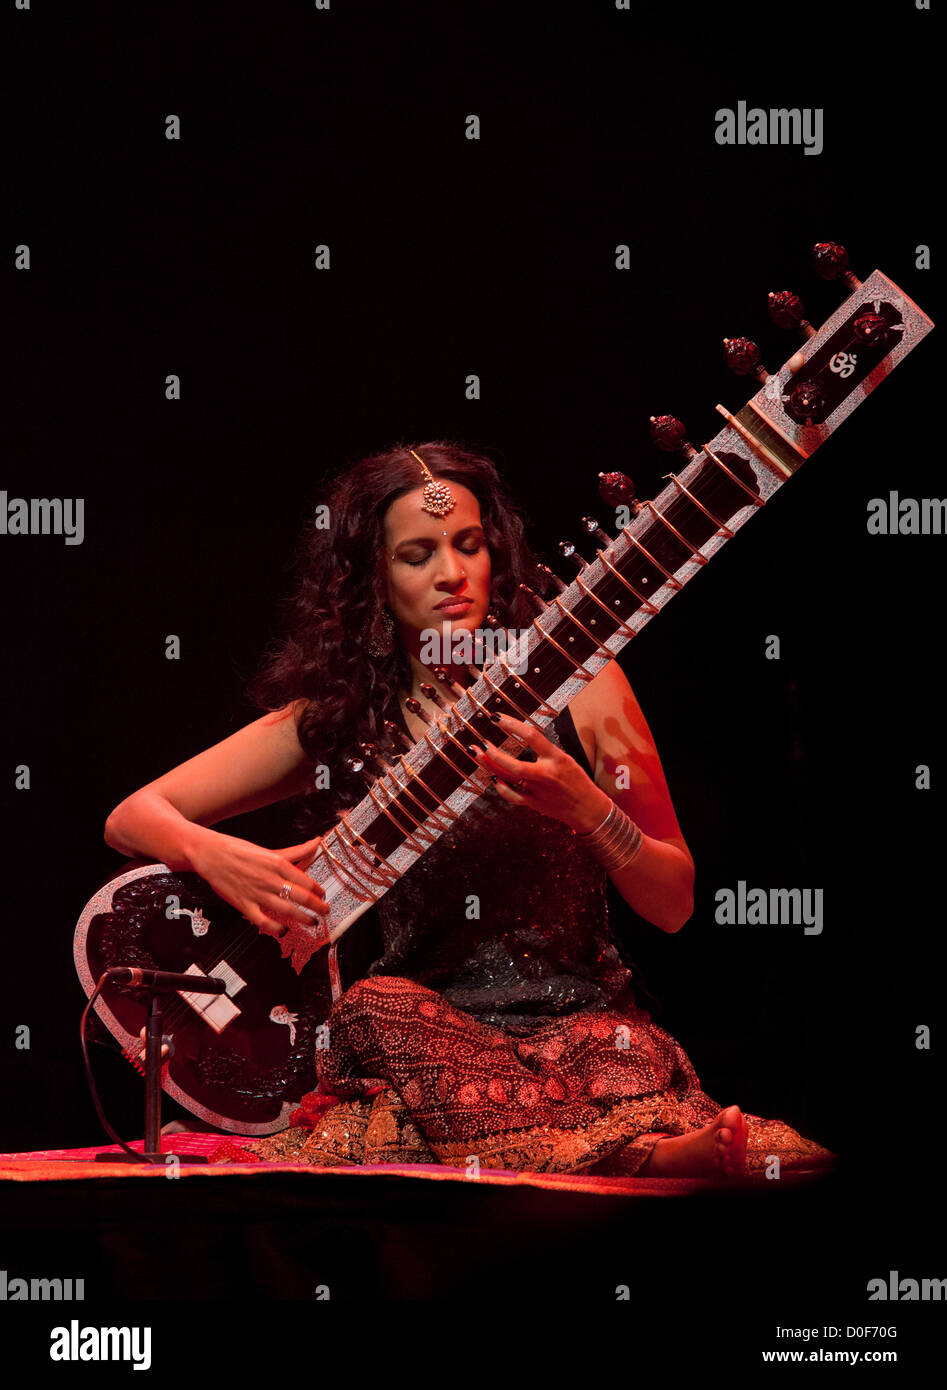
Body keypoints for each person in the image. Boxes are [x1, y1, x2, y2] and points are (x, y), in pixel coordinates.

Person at [105, 440, 834, 1177]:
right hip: (428, 1048)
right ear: (374, 581)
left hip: (584, 1036)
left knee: (781, 1154)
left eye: (468, 544)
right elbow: (133, 815)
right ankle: (636, 1158)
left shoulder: (583, 681)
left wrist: (587, 808)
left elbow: (673, 902)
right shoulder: (336, 719)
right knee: (376, 1005)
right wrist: (220, 856)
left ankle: (622, 1151)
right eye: (416, 555)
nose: (452, 574)